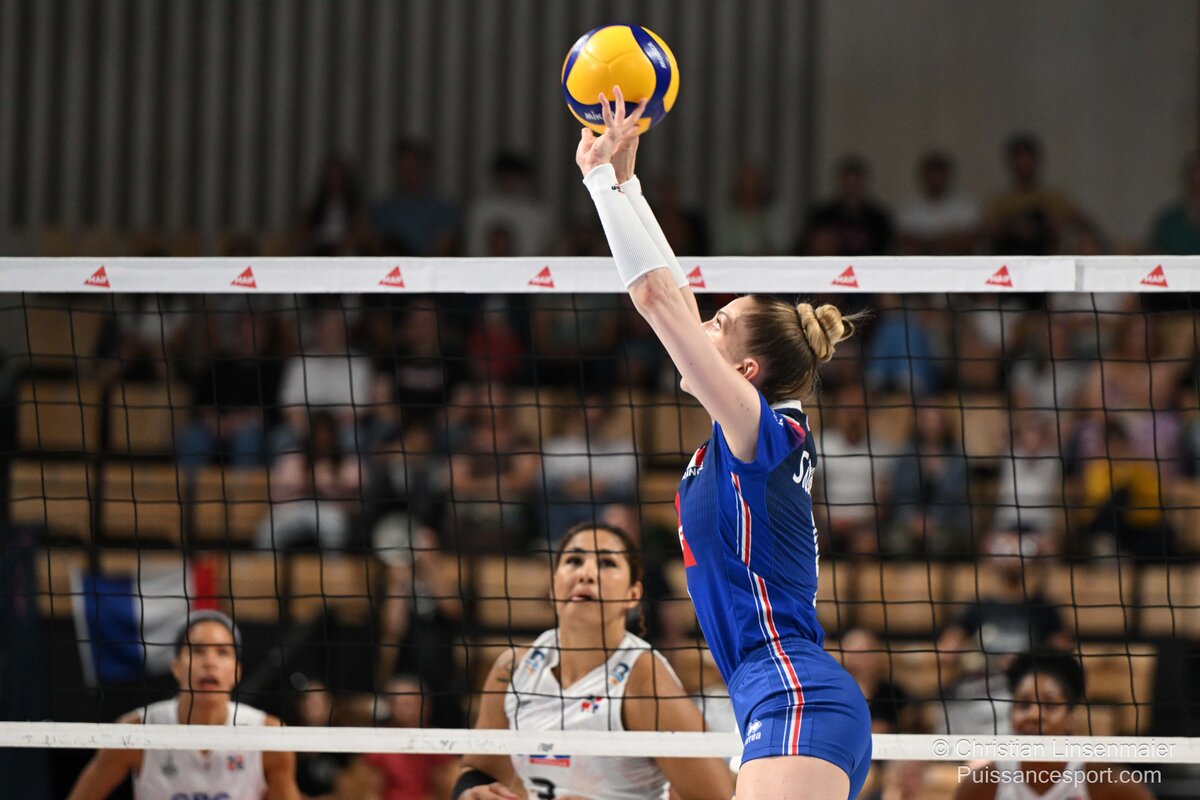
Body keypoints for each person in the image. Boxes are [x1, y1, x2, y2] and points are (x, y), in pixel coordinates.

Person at [572, 89, 872, 799]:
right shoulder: (744, 435)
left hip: (796, 695)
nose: (701, 323)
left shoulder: (760, 434)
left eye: (719, 325)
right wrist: (628, 180)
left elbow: (655, 300)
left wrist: (596, 182)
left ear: (746, 372)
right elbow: (673, 293)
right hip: (775, 696)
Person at [453, 522, 734, 800]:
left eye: (607, 563)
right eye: (574, 561)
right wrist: (469, 793)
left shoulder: (644, 680)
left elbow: (721, 797)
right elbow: (478, 770)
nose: (586, 574)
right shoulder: (514, 668)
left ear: (633, 594)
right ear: (553, 586)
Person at [66, 611, 300, 800]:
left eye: (222, 652)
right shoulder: (135, 733)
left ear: (237, 672)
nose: (210, 662)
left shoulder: (269, 737)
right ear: (176, 667)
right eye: (197, 650)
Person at [955, 651, 1155, 800]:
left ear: (1070, 717)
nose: (1034, 715)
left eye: (1049, 705)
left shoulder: (1107, 782)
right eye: (1023, 705)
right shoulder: (983, 783)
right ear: (1010, 714)